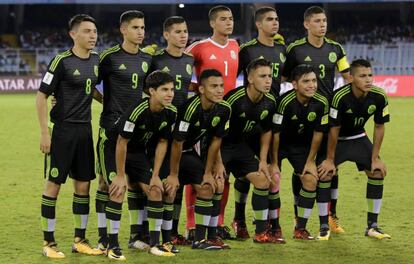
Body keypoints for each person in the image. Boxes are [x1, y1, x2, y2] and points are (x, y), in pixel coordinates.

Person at [36, 14, 102, 259]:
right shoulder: (61, 61)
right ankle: (48, 242)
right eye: (86, 31)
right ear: (73, 34)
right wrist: (45, 132)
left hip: (85, 129)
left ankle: (80, 240)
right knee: (54, 185)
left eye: (94, 31)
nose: (92, 35)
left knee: (83, 185)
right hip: (62, 130)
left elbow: (90, 87)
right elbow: (42, 96)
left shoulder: (96, 60)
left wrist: (103, 100)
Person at [282, 6, 350, 233]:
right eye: (318, 21)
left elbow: (347, 77)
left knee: (332, 166)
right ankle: (297, 215)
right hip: (302, 115)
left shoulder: (336, 48)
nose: (323, 25)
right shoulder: (295, 49)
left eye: (325, 21)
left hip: (329, 115)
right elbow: (285, 76)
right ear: (306, 24)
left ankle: (332, 216)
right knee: (300, 166)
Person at [94, 10, 153, 258]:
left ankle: (137, 237)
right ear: (123, 30)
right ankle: (104, 239)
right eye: (136, 27)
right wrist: (106, 101)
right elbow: (89, 84)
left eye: (142, 27)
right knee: (108, 185)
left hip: (136, 134)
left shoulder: (147, 61)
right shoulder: (108, 57)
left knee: (139, 186)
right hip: (110, 131)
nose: (140, 32)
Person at [318, 59, 391, 240]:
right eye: (362, 76)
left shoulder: (379, 96)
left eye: (370, 75)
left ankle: (372, 226)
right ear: (351, 78)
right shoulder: (339, 97)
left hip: (358, 137)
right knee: (326, 173)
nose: (368, 80)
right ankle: (325, 224)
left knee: (377, 172)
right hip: (336, 139)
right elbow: (333, 129)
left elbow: (379, 126)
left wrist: (375, 158)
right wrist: (329, 159)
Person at [185, 5, 239, 240]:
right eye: (223, 19)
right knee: (197, 173)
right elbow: (180, 73)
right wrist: (198, 89)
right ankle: (191, 225)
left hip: (228, 117)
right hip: (205, 119)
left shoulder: (236, 46)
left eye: (231, 19)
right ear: (212, 23)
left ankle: (217, 223)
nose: (229, 23)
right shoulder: (199, 47)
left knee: (222, 173)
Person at [161, 69, 231, 250]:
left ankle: (203, 239)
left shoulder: (224, 108)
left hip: (190, 153)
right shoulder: (190, 108)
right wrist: (174, 174)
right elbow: (177, 143)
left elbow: (216, 141)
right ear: (201, 89)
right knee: (171, 190)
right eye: (214, 86)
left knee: (211, 185)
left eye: (221, 86)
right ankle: (169, 237)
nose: (219, 90)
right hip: (169, 153)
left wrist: (212, 169)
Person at [233, 6, 286, 240]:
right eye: (269, 20)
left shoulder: (284, 50)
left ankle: (271, 224)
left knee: (273, 174)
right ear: (258, 24)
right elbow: (231, 78)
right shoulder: (246, 51)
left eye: (276, 19)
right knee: (245, 176)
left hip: (270, 118)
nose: (275, 23)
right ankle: (239, 218)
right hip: (245, 118)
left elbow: (290, 76)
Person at [115, 70, 177, 257]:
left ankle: (154, 243)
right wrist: (119, 175)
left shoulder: (171, 112)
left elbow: (163, 143)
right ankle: (108, 241)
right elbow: (121, 142)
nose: (170, 94)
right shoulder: (137, 111)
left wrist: (156, 175)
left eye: (172, 89)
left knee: (156, 189)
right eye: (164, 90)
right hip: (116, 148)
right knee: (113, 188)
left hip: (141, 153)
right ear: (152, 91)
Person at [220, 58, 278, 243]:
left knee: (263, 180)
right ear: (251, 79)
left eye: (270, 76)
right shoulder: (234, 100)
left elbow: (267, 131)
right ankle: (212, 231)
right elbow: (216, 134)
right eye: (263, 76)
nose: (268, 80)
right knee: (217, 183)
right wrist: (217, 163)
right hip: (221, 147)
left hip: (241, 147)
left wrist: (262, 160)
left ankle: (260, 232)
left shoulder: (269, 101)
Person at [271, 64, 330, 240]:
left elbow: (319, 133)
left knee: (311, 180)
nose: (311, 85)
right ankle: (273, 226)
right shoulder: (284, 102)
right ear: (294, 84)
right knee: (271, 180)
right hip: (280, 145)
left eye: (314, 80)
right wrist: (274, 163)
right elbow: (275, 134)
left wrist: (311, 161)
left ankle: (300, 228)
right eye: (306, 81)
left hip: (301, 147)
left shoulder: (321, 102)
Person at [150, 17, 194, 245]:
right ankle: (151, 233)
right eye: (177, 32)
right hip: (159, 130)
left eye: (185, 31)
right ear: (166, 35)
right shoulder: (155, 59)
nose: (183, 35)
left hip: (182, 128)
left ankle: (173, 232)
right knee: (158, 180)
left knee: (178, 181)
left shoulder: (190, 59)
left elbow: (187, 86)